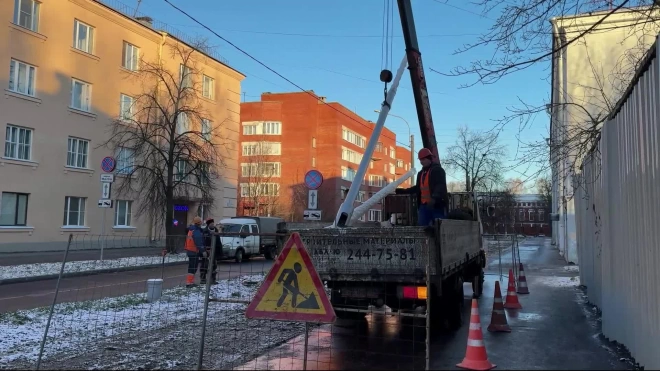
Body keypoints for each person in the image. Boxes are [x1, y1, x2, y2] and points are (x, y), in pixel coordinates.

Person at [395, 148, 448, 226]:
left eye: (423, 159)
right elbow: (418, 188)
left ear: (429, 159)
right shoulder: (421, 173)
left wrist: (434, 199)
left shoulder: (438, 170)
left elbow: (440, 186)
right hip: (424, 206)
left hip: (436, 205)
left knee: (440, 228)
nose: (421, 162)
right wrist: (402, 191)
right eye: (420, 160)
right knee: (422, 228)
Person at [184, 216, 207, 287]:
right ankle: (189, 282)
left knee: (192, 266)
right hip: (193, 251)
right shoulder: (196, 231)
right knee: (193, 267)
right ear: (200, 223)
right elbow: (198, 242)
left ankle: (190, 282)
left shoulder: (191, 229)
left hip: (190, 250)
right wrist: (203, 251)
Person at [201, 218, 221, 285]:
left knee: (214, 266)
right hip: (207, 251)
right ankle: (203, 279)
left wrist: (219, 251)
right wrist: (204, 250)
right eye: (211, 224)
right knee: (204, 265)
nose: (212, 224)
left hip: (214, 251)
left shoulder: (216, 230)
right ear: (208, 224)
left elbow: (218, 242)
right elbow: (202, 242)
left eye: (213, 223)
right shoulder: (205, 232)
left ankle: (213, 279)